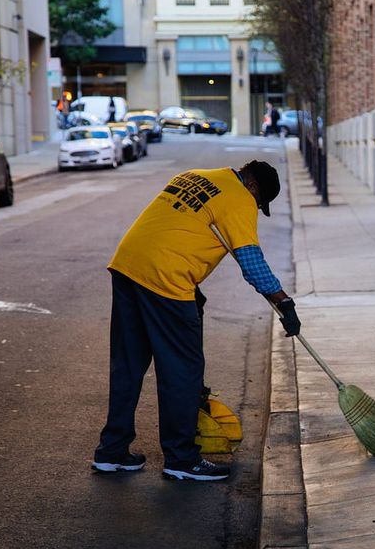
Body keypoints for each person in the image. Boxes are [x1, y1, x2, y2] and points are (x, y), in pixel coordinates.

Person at [92, 160, 301, 481]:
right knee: (182, 371)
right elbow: (250, 260)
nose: (256, 209)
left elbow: (174, 233)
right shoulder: (240, 198)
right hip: (165, 281)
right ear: (255, 188)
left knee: (128, 364)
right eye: (260, 204)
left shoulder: (195, 176)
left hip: (127, 266)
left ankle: (111, 451)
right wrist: (283, 301)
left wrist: (195, 295)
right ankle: (181, 459)